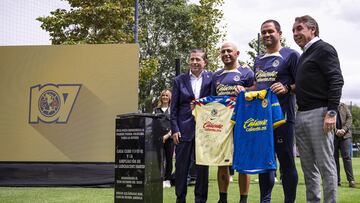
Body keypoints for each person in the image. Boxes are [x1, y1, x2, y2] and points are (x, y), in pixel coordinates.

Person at [292, 15, 344, 203]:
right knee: (308, 168)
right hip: (301, 114)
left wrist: (331, 113)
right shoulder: (304, 55)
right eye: (294, 30)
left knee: (326, 166)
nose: (295, 33)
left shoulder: (324, 49)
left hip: (320, 113)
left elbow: (336, 80)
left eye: (299, 29)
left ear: (312, 29)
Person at [251, 19, 299, 203]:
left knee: (286, 162)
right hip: (261, 120)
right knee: (265, 163)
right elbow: (258, 86)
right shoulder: (258, 60)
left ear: (279, 33)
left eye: (270, 31)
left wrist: (287, 87)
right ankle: (265, 200)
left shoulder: (290, 55)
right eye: (263, 32)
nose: (266, 35)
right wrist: (245, 90)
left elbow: (302, 83)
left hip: (284, 118)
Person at [211, 42, 254, 203]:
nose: (226, 53)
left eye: (229, 51)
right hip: (221, 124)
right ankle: (223, 198)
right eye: (223, 51)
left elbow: (256, 94)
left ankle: (243, 199)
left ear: (237, 53)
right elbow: (212, 101)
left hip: (242, 123)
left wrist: (246, 91)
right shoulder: (216, 75)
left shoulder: (247, 72)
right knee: (222, 162)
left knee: (243, 162)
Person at [170, 48, 212, 203]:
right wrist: (174, 129)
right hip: (183, 130)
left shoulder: (211, 78)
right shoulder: (179, 80)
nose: (194, 62)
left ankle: (200, 200)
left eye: (198, 59)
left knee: (202, 168)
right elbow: (173, 108)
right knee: (181, 168)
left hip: (205, 129)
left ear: (205, 62)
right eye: (192, 59)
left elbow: (214, 101)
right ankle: (180, 198)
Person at [153, 89, 174, 188]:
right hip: (159, 139)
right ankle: (160, 179)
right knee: (159, 159)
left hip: (169, 138)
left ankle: (167, 179)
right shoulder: (155, 110)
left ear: (170, 97)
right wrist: (160, 137)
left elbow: (174, 124)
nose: (165, 97)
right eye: (163, 95)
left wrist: (167, 135)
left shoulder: (173, 110)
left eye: (167, 95)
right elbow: (153, 124)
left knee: (169, 159)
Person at [334, 102, 356, 188]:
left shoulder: (344, 106)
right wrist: (336, 131)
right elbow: (326, 119)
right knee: (334, 159)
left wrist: (344, 129)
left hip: (346, 136)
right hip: (333, 136)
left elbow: (349, 118)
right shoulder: (329, 107)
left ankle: (351, 180)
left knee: (347, 158)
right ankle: (336, 181)